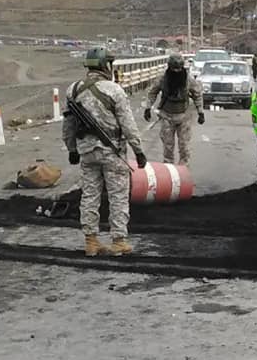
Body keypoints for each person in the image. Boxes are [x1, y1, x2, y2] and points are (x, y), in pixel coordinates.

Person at [63, 47, 147, 256]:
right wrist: (138, 151)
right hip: (112, 152)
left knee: (90, 194)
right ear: (105, 66)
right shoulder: (114, 90)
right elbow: (127, 125)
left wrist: (72, 149)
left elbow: (68, 126)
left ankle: (91, 242)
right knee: (118, 195)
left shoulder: (73, 90)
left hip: (86, 152)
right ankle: (119, 241)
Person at [144, 53, 204, 164]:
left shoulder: (188, 80)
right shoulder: (163, 79)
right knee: (168, 148)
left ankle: (184, 172)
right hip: (167, 115)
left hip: (184, 116)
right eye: (174, 69)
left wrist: (200, 111)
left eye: (178, 69)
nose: (176, 71)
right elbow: (152, 92)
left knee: (184, 148)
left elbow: (197, 94)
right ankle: (169, 171)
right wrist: (148, 107)